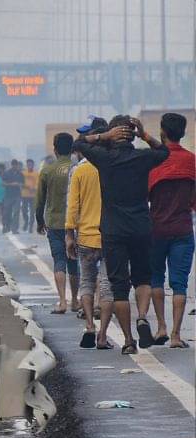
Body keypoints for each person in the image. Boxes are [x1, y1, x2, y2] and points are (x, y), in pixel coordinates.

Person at [74, 115, 170, 354]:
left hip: (113, 230)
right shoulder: (143, 157)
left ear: (113, 134)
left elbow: (79, 143)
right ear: (132, 133)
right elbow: (164, 151)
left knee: (119, 287)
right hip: (141, 227)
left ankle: (128, 340)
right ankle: (142, 317)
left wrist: (103, 136)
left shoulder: (104, 159)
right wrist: (145, 135)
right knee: (143, 278)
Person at [146, 112, 195, 349]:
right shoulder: (191, 161)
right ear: (183, 133)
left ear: (162, 132)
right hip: (183, 229)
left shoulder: (153, 161)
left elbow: (143, 194)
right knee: (180, 284)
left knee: (156, 278)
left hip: (155, 229)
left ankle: (161, 327)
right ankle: (176, 335)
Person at [66, 130, 114, 349]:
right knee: (106, 286)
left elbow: (73, 206)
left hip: (85, 237)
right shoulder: (112, 168)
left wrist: (69, 234)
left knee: (86, 282)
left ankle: (89, 326)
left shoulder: (79, 171)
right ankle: (103, 336)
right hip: (110, 236)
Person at [35, 133, 79, 314]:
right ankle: (75, 301)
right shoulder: (78, 168)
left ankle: (62, 301)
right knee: (74, 262)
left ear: (55, 148)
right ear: (72, 149)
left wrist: (39, 220)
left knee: (59, 260)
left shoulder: (47, 170)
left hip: (54, 222)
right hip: (76, 223)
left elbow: (40, 200)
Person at [1, 159, 24, 233]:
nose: (15, 166)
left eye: (16, 165)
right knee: (7, 212)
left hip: (17, 195)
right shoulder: (6, 173)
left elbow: (22, 184)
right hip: (8, 195)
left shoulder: (20, 174)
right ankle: (6, 227)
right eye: (14, 165)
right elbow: (3, 184)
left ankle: (15, 229)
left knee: (16, 212)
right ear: (12, 165)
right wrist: (12, 184)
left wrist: (19, 185)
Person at [20, 158, 39, 232]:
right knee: (24, 210)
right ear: (27, 165)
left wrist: (34, 188)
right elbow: (21, 182)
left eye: (31, 164)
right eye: (28, 164)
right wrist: (26, 187)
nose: (29, 165)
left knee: (32, 212)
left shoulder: (36, 173)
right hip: (24, 195)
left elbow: (38, 183)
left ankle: (30, 227)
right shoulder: (23, 173)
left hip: (33, 195)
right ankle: (26, 221)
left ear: (33, 165)